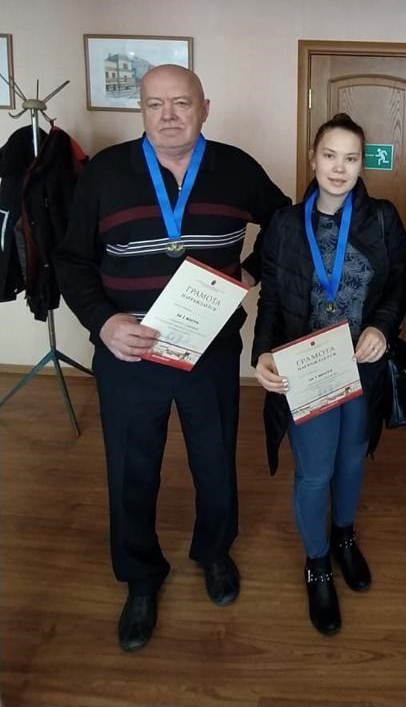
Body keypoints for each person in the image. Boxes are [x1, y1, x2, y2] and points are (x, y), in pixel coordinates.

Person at [55, 65, 289, 653]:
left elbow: (288, 225)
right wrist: (104, 322)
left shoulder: (236, 168)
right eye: (155, 104)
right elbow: (71, 260)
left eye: (181, 102)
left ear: (204, 106)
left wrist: (246, 276)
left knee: (215, 458)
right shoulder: (105, 172)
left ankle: (214, 552)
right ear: (141, 110)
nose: (168, 115)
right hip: (129, 352)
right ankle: (140, 576)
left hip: (210, 350)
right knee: (131, 469)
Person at [252, 112, 406, 636]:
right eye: (329, 156)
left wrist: (383, 328)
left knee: (351, 461)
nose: (339, 168)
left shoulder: (381, 219)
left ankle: (344, 535)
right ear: (312, 159)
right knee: (315, 471)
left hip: (361, 366)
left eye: (351, 158)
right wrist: (263, 353)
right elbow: (271, 296)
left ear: (362, 164)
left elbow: (399, 283)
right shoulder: (283, 224)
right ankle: (317, 561)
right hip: (307, 368)